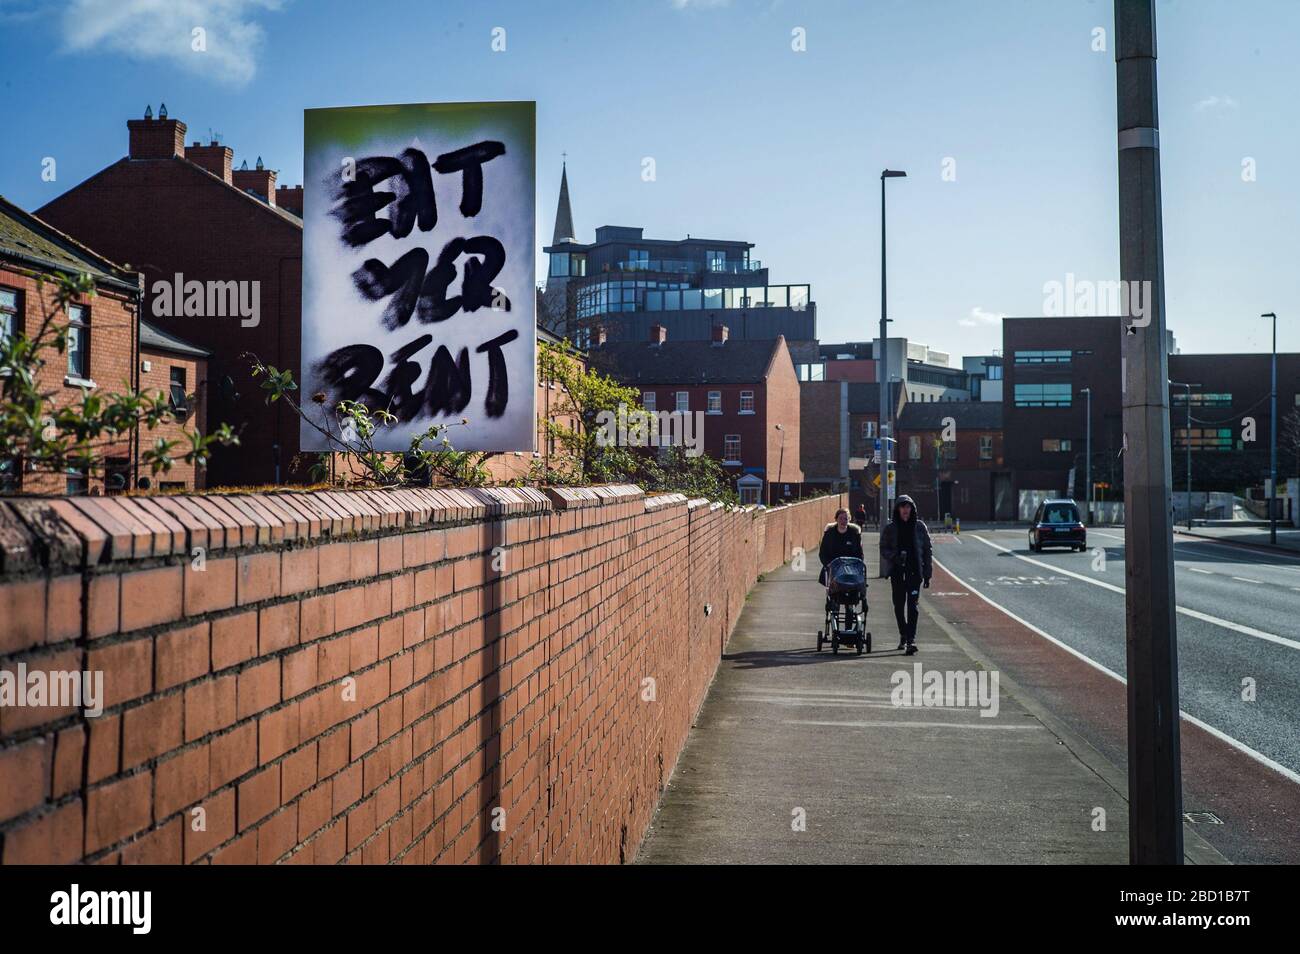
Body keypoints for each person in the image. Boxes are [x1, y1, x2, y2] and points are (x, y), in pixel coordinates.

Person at [878, 494, 931, 655]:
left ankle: (911, 640)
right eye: (902, 507)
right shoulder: (891, 528)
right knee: (899, 606)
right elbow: (883, 548)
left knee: (913, 606)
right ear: (898, 509)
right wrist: (894, 557)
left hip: (915, 572)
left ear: (912, 509)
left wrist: (927, 574)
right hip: (897, 572)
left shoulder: (920, 527)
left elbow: (927, 551)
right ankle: (903, 633)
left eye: (908, 507)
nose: (905, 510)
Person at [818, 507, 863, 585]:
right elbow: (822, 553)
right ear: (836, 519)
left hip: (851, 569)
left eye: (846, 519)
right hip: (833, 569)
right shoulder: (829, 534)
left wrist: (856, 565)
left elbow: (859, 553)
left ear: (849, 520)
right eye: (840, 518)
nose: (843, 521)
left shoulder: (854, 534)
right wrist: (828, 564)